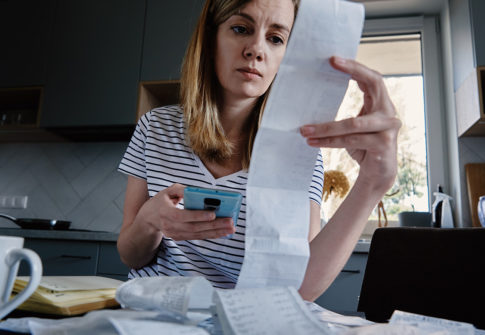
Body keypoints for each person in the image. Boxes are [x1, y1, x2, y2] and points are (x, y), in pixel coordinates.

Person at [117, 0, 401, 302]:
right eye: (241, 29)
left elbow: (298, 288)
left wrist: (372, 183)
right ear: (211, 39)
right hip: (149, 313)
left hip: (241, 319)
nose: (256, 49)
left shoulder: (301, 152)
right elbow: (130, 256)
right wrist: (149, 220)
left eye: (276, 38)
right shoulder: (155, 126)